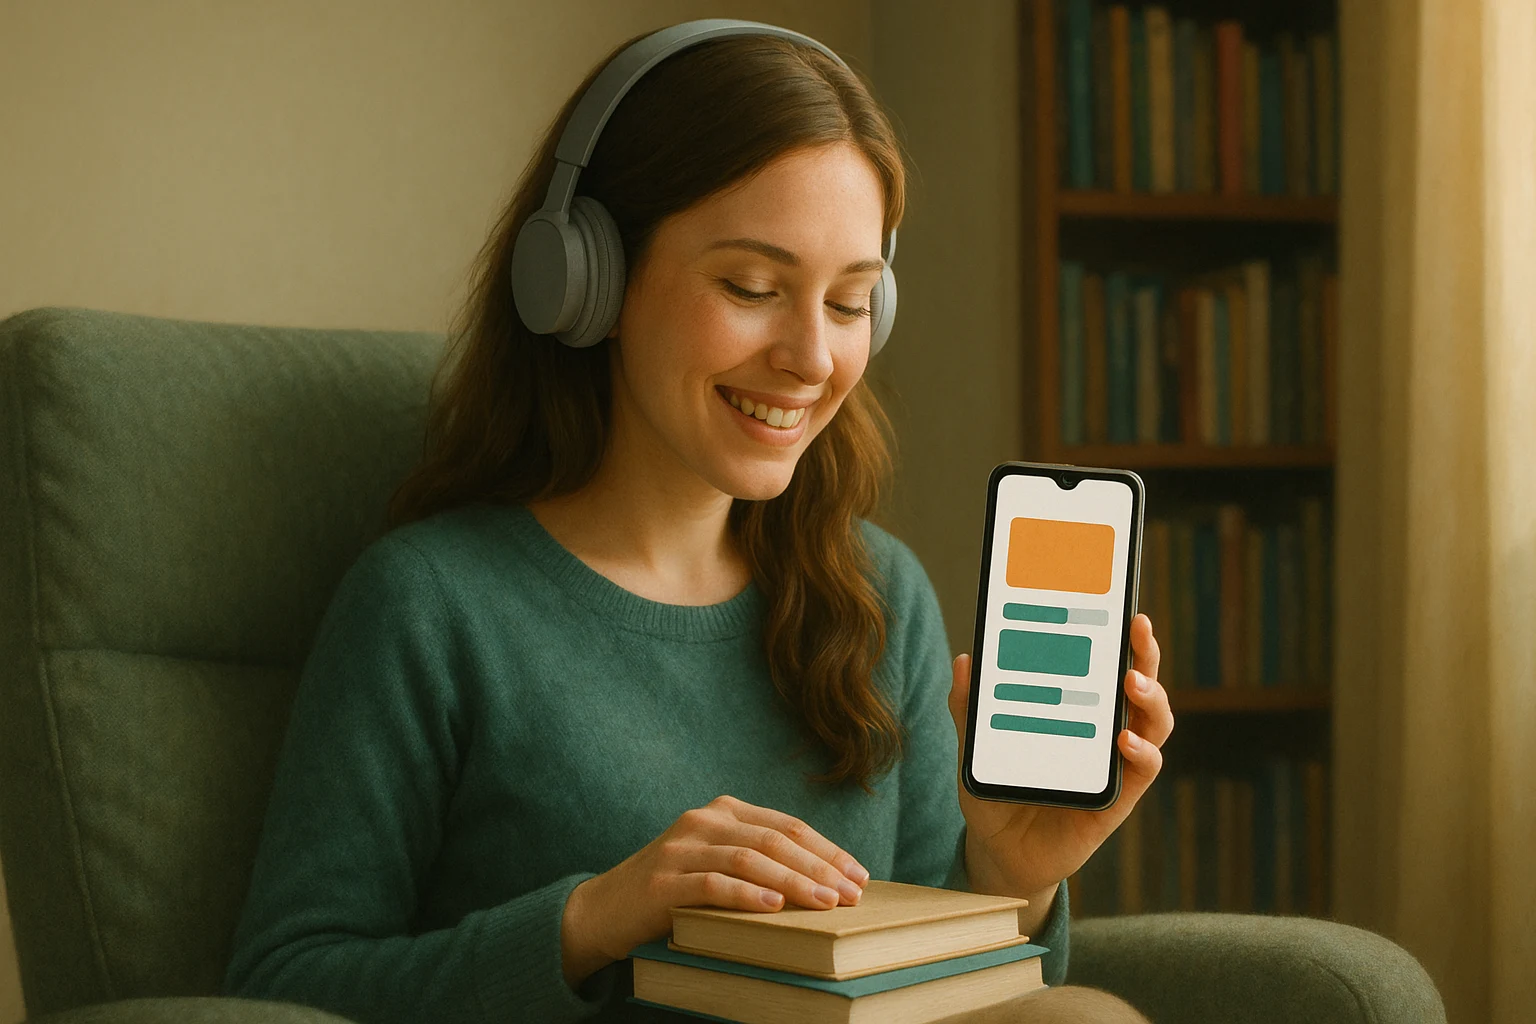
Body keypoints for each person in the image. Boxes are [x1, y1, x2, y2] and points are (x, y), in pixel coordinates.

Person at [221, 21, 1171, 1024]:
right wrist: (596, 916)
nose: (811, 358)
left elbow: (944, 993)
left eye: (851, 303)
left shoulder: (880, 593)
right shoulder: (431, 604)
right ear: (588, 278)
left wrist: (1011, 875)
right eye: (752, 287)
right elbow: (285, 984)